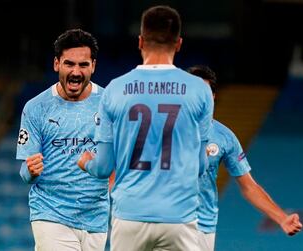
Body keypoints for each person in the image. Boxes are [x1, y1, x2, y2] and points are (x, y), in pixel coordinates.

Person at [78, 5, 214, 251]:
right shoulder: (200, 90)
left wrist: (85, 161)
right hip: (179, 217)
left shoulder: (115, 90)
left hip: (130, 215)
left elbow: (103, 167)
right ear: (179, 43)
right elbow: (202, 166)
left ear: (140, 41)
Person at [187, 65, 303, 251]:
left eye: (205, 92)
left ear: (214, 97)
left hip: (201, 228)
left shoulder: (224, 137)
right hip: (166, 220)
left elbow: (249, 187)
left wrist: (282, 218)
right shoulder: (163, 130)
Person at [16, 29, 109, 251]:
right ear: (57, 64)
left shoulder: (109, 104)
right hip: (51, 213)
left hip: (96, 218)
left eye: (83, 65)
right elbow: (24, 173)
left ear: (93, 66)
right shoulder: (36, 108)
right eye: (69, 64)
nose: (76, 71)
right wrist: (30, 170)